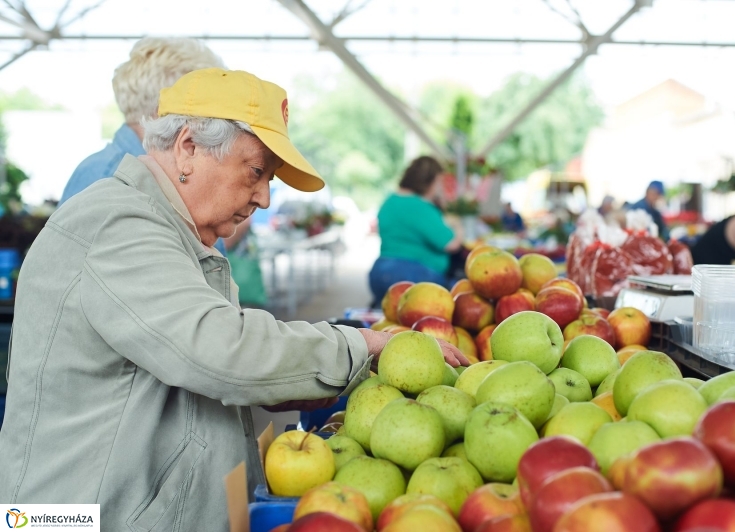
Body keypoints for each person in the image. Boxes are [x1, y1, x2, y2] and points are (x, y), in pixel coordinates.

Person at [0, 69, 467, 530]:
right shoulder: (119, 226)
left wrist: (321, 376)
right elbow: (222, 350)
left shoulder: (176, 235)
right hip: (70, 518)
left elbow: (216, 364)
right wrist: (361, 346)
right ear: (188, 148)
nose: (264, 198)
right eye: (256, 172)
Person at [59, 37, 225, 206]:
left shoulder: (125, 172)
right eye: (207, 111)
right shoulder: (112, 179)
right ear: (164, 110)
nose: (214, 125)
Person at [369, 156, 463, 305]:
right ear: (429, 181)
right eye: (439, 182)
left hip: (380, 271)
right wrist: (457, 226)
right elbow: (451, 244)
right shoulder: (420, 207)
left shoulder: (389, 201)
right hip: (414, 277)